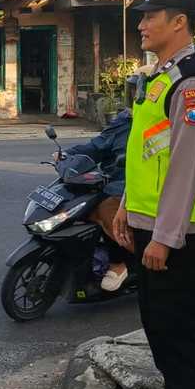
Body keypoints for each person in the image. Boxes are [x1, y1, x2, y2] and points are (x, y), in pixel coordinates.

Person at [112, 0, 195, 389]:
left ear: (179, 22)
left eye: (150, 16)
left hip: (176, 231)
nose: (141, 24)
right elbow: (145, 151)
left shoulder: (191, 85)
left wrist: (164, 236)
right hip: (148, 220)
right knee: (157, 321)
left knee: (181, 330)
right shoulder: (161, 78)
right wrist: (126, 207)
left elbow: (184, 166)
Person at [61, 109, 132, 291]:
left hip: (131, 186)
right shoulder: (124, 120)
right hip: (108, 180)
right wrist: (67, 154)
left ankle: (119, 262)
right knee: (78, 205)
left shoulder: (159, 122)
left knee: (105, 210)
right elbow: (97, 145)